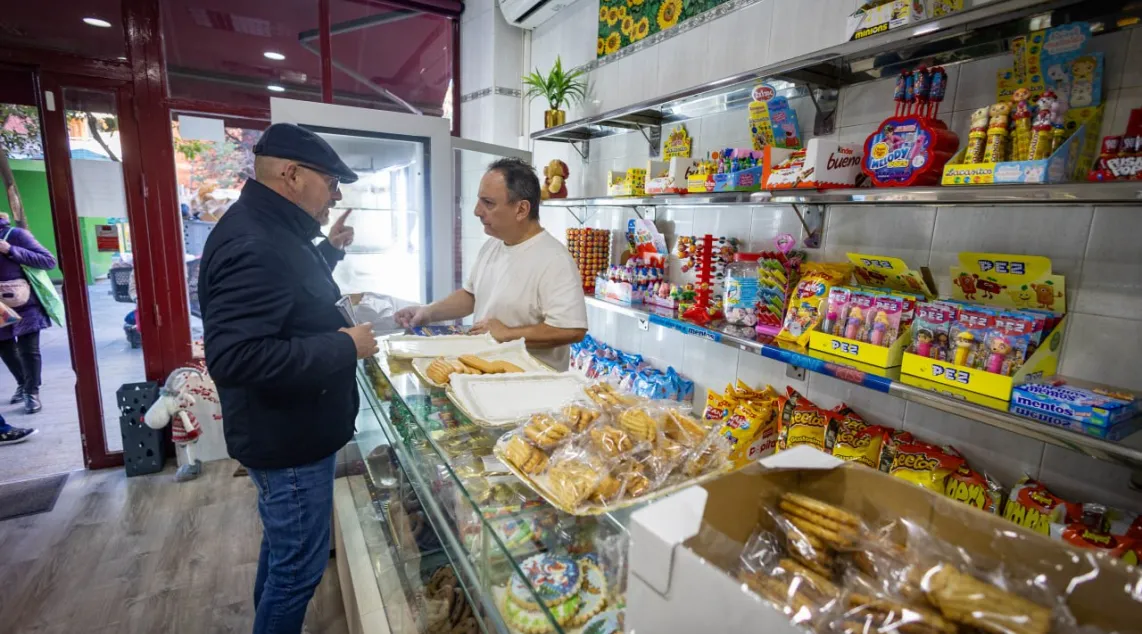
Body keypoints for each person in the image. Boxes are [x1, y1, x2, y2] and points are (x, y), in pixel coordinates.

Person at [198, 123, 379, 634]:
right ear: (292, 175)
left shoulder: (272, 228)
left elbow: (289, 294)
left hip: (291, 432)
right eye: (331, 182)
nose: (336, 195)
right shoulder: (255, 241)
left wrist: (331, 250)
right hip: (289, 440)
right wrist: (345, 345)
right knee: (297, 572)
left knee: (285, 555)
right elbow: (236, 357)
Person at [394, 158, 587, 370]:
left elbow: (571, 330)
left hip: (530, 383)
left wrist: (508, 334)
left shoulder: (554, 259)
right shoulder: (493, 244)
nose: (477, 211)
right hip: (488, 375)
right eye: (479, 201)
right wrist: (428, 312)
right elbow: (471, 296)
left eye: (488, 203)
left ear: (521, 209)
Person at [0, 214, 58, 414]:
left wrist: (10, 250)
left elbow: (48, 261)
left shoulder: (15, 235)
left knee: (28, 349)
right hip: (0, 306)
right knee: (5, 348)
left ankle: (31, 392)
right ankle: (23, 383)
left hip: (25, 303)